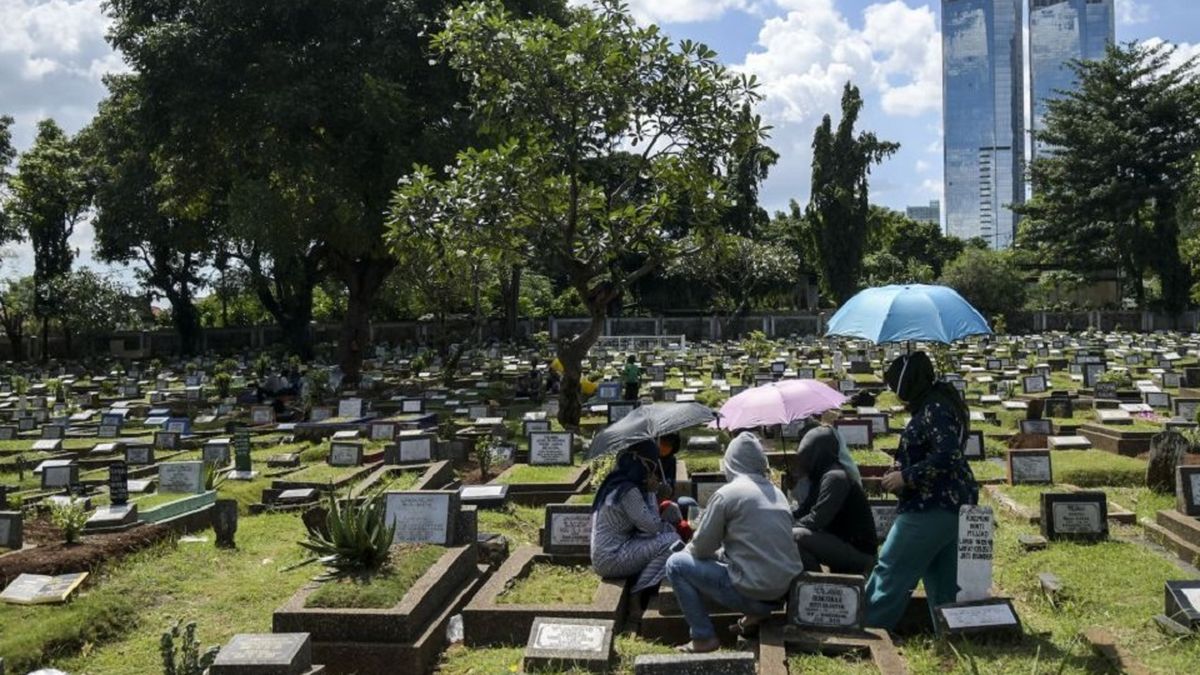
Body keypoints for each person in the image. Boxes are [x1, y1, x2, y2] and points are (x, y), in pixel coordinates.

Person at [865, 351, 977, 630]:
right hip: (951, 506)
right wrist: (900, 467)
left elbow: (948, 455)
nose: (895, 392)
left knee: (890, 570)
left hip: (931, 506)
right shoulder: (935, 403)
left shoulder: (935, 408)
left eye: (896, 386)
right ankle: (951, 639)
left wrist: (906, 476)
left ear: (908, 383)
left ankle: (864, 631)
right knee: (942, 584)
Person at [665, 432, 804, 653]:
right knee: (723, 556)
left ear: (731, 463)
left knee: (676, 564)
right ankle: (755, 616)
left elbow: (701, 549)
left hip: (752, 593)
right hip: (781, 594)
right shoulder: (777, 493)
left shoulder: (728, 494)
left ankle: (703, 637)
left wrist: (689, 548)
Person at [590, 440, 682, 597]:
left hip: (612, 551)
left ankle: (648, 581)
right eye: (651, 466)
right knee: (672, 540)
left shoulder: (616, 482)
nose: (652, 472)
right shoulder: (628, 491)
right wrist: (652, 493)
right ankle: (639, 592)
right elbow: (652, 527)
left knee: (671, 524)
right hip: (611, 558)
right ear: (641, 464)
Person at [790, 427, 877, 575]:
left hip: (860, 553)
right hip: (841, 544)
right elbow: (802, 511)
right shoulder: (821, 476)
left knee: (796, 536)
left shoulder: (835, 477)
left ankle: (819, 586)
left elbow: (818, 519)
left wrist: (786, 528)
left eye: (806, 454)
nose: (803, 460)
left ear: (817, 454)